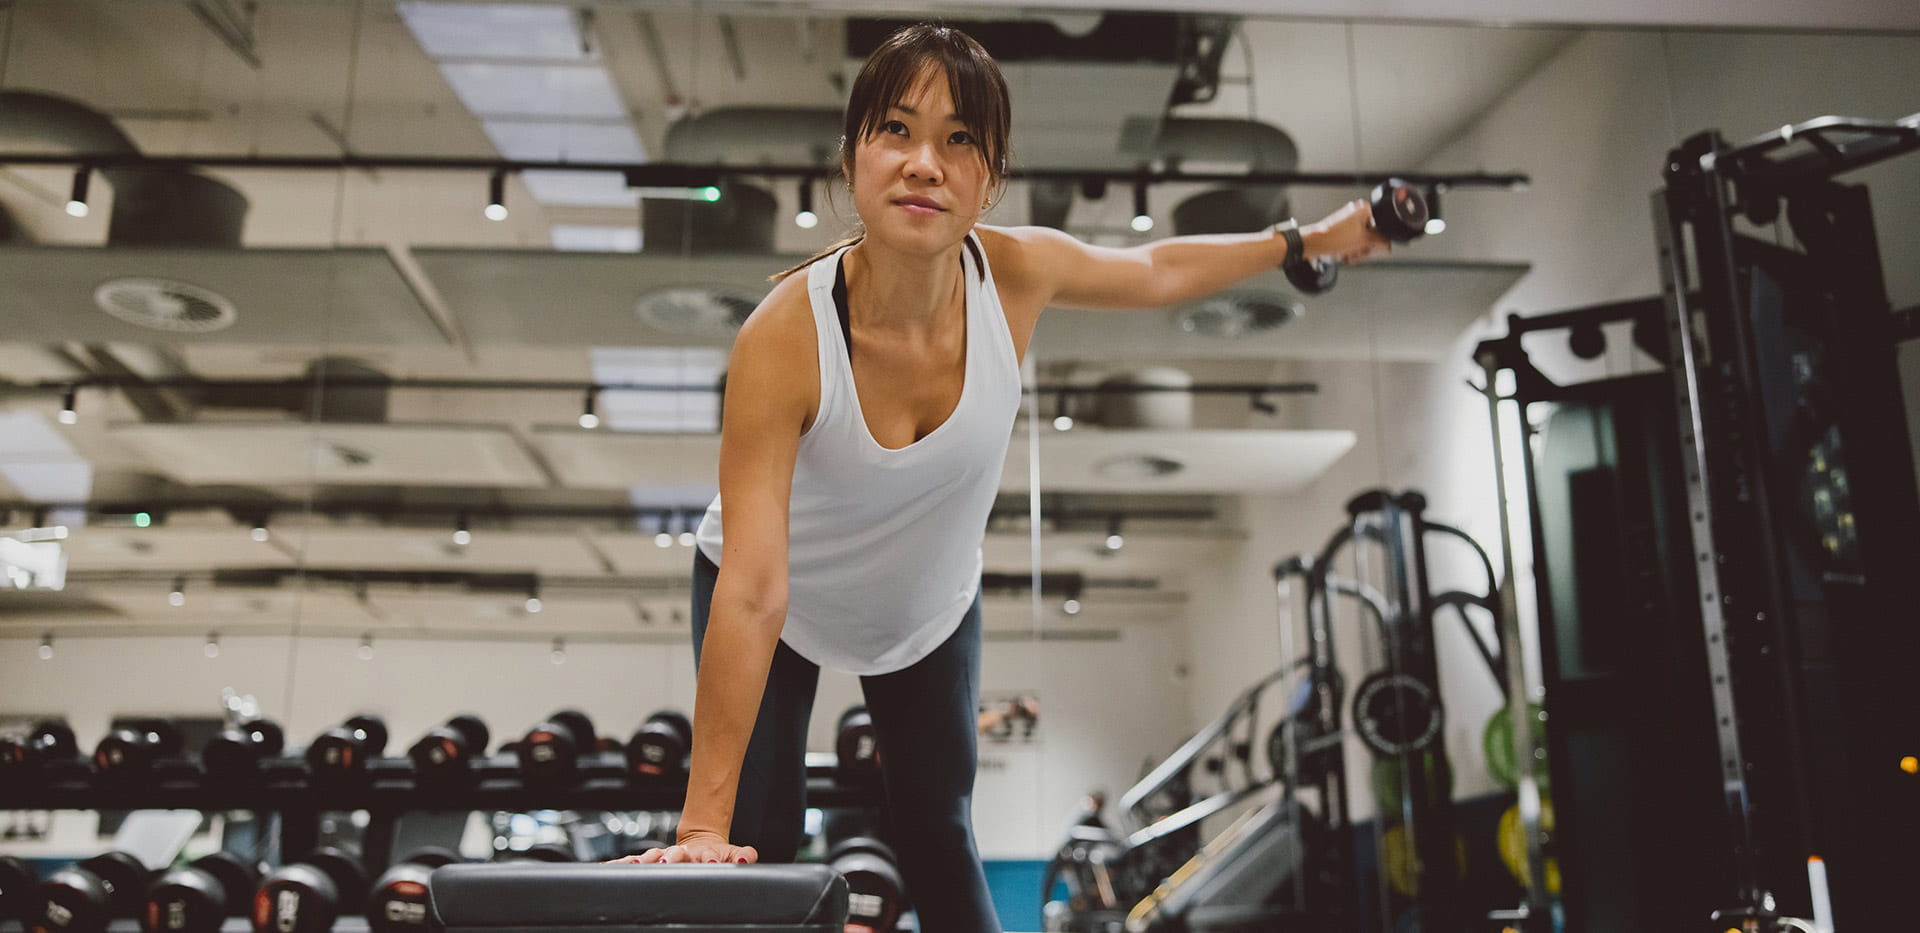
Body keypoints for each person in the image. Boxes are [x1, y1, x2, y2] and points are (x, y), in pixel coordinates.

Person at [609, 21, 1389, 933]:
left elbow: (1158, 265)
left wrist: (1306, 239)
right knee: (759, 834)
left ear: (990, 178)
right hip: (773, 596)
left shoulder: (1013, 275)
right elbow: (754, 586)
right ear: (852, 155)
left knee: (939, 835)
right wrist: (702, 825)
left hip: (927, 609)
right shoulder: (784, 336)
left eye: (959, 139)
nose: (923, 163)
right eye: (895, 130)